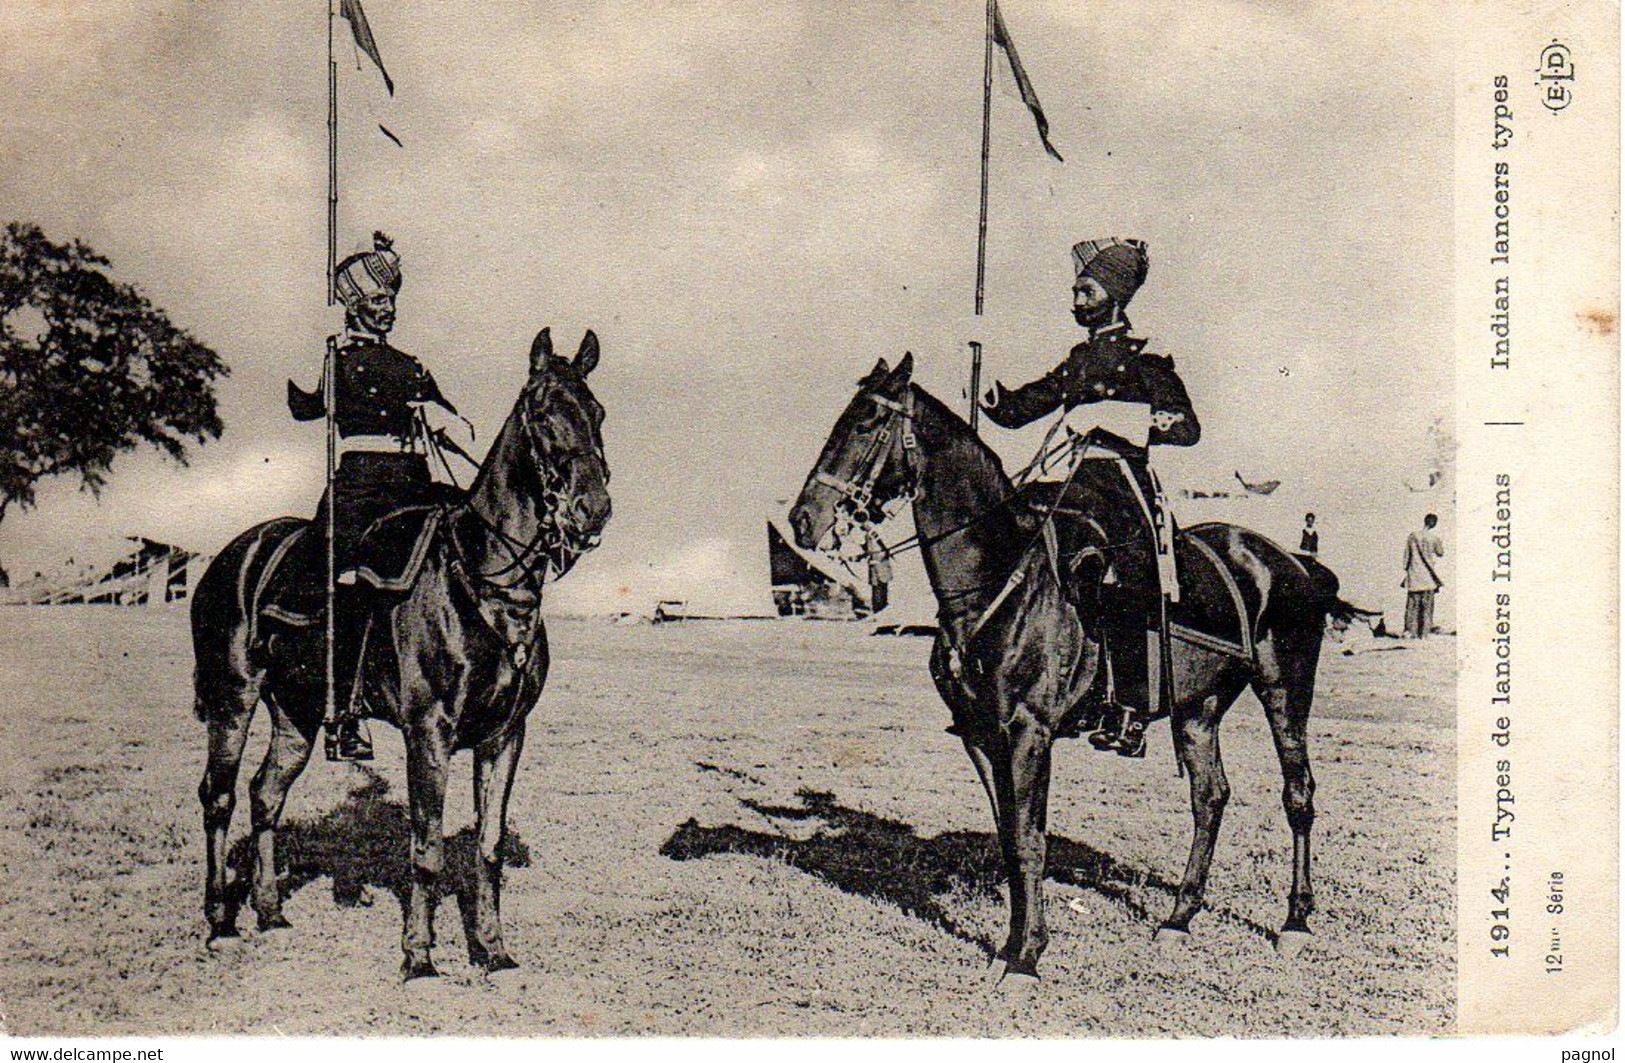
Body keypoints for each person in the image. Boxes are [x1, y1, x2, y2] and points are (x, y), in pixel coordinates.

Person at [980, 237, 1199, 757]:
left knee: (1118, 576)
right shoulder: (1079, 359)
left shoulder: (1147, 361)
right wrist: (989, 392)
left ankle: (1128, 707)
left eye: (1086, 291)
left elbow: (1187, 428)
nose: (1076, 302)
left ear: (1115, 296)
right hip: (1075, 484)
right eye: (1075, 292)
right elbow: (1025, 405)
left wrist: (1116, 418)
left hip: (1123, 485)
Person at [286, 232, 464, 760]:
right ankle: (340, 709)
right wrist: (321, 353)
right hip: (362, 482)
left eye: (390, 302)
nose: (387, 311)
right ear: (355, 308)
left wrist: (451, 421)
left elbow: (448, 415)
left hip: (413, 479)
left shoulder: (411, 363)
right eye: (377, 302)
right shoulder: (338, 358)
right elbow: (308, 407)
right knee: (338, 578)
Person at [1403, 513, 1445, 638]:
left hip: (1414, 575)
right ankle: (1424, 634)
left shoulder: (1412, 536)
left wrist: (1408, 570)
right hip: (1428, 578)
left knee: (1412, 607)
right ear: (1434, 524)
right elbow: (1440, 553)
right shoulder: (1434, 538)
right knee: (1427, 607)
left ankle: (1411, 632)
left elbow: (1406, 559)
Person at [865, 527, 893, 615]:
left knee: (882, 591)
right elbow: (867, 550)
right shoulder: (868, 536)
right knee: (876, 592)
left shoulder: (881, 534)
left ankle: (882, 612)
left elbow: (886, 550)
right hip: (875, 569)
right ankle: (877, 611)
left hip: (882, 567)